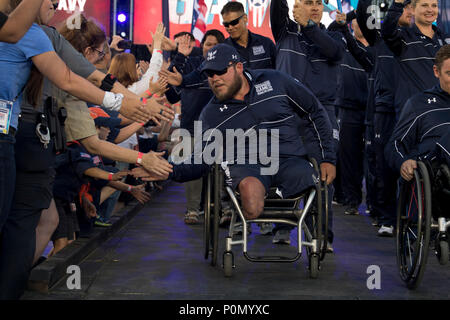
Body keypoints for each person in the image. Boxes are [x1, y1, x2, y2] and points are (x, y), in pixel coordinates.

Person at [133, 44, 336, 244]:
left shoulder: (275, 81)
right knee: (252, 204)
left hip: (290, 159)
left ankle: (318, 236)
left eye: (220, 71)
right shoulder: (211, 115)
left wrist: (327, 157)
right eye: (209, 74)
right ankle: (258, 211)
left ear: (238, 67)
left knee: (320, 183)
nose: (215, 79)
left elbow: (315, 111)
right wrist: (168, 171)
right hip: (246, 166)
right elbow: (201, 159)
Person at [270, 0, 344, 247]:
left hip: (322, 115)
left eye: (318, 3)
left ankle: (322, 235)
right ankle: (281, 226)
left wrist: (309, 26)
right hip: (286, 112)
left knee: (324, 174)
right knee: (282, 170)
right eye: (307, 2)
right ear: (295, 6)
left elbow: (334, 52)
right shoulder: (284, 30)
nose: (314, 7)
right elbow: (277, 6)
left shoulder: (333, 35)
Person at [161, 29, 225, 225]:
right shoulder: (192, 65)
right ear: (202, 47)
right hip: (190, 127)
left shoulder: (227, 71)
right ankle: (192, 210)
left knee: (222, 170)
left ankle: (223, 208)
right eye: (207, 44)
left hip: (220, 129)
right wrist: (180, 55)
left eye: (215, 44)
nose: (210, 48)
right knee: (191, 168)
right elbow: (171, 87)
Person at [386, 45, 450, 181]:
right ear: (436, 72)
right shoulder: (419, 104)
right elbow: (395, 144)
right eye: (449, 73)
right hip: (437, 175)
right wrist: (403, 162)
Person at [381, 0, 449, 117]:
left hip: (442, 112)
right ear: (412, 9)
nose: (430, 10)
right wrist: (397, 4)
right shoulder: (402, 37)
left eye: (434, 6)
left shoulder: (444, 38)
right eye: (424, 5)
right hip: (415, 115)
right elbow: (387, 29)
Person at [220, 2, 276, 70]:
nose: (230, 27)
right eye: (226, 24)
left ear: (245, 18)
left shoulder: (266, 43)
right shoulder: (222, 50)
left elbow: (280, 72)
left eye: (234, 22)